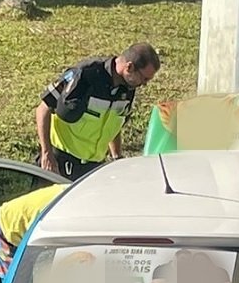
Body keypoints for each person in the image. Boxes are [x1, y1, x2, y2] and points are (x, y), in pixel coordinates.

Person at [35, 42, 160, 180]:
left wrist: (116, 157)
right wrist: (46, 153)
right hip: (58, 164)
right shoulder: (84, 74)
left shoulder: (128, 88)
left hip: (92, 170)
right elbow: (43, 108)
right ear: (129, 67)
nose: (144, 84)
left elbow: (114, 124)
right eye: (144, 78)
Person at [0, 183, 68, 278]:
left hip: (17, 221)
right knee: (15, 282)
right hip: (2, 227)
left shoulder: (71, 190)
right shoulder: (61, 209)